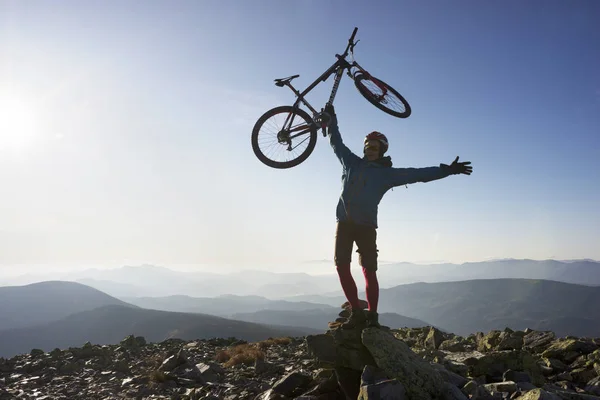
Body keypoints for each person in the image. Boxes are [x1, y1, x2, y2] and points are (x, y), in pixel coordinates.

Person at [322, 102, 472, 329]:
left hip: (365, 226)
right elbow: (336, 142)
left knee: (368, 270)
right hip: (343, 223)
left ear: (382, 150)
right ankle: (357, 311)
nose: (369, 149)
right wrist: (332, 121)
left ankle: (372, 316)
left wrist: (447, 170)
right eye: (367, 145)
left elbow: (418, 175)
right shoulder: (351, 163)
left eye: (374, 146)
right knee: (341, 266)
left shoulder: (387, 175)